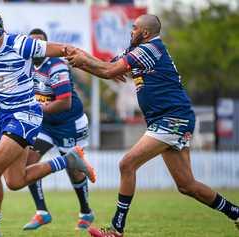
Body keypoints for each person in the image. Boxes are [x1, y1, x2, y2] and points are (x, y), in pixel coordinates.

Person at [66, 14, 239, 237]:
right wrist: (81, 57)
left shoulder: (148, 50)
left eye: (134, 28)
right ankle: (235, 212)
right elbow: (108, 68)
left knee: (126, 164)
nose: (131, 31)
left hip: (172, 119)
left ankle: (117, 229)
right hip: (169, 119)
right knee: (187, 185)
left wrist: (83, 61)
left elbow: (108, 71)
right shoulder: (138, 52)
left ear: (145, 33)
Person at [0, 10, 96, 237]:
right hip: (4, 116)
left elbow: (64, 49)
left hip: (26, 115)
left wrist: (97, 66)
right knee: (15, 181)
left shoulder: (21, 44)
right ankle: (68, 160)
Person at [22, 28, 94, 231]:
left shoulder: (56, 66)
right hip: (45, 123)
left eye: (40, 44)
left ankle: (86, 211)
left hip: (69, 124)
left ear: (46, 47)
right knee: (28, 163)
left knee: (74, 170)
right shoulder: (25, 65)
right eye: (32, 44)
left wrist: (34, 112)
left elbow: (64, 103)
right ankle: (42, 212)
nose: (35, 48)